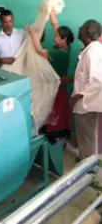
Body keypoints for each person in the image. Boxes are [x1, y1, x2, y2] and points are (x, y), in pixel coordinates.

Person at [25, 10, 74, 143]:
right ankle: (59, 138)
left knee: (54, 115)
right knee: (60, 115)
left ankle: (54, 140)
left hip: (56, 88)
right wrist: (50, 10)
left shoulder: (56, 53)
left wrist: (32, 33)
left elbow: (38, 49)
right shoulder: (67, 48)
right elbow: (55, 25)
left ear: (63, 39)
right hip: (62, 87)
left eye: (57, 37)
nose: (54, 37)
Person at [69, 19, 102, 160]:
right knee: (85, 135)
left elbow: (96, 81)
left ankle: (88, 169)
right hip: (86, 102)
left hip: (86, 103)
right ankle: (86, 160)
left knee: (86, 136)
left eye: (82, 28)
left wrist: (75, 98)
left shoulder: (92, 53)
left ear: (87, 33)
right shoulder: (90, 50)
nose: (79, 28)